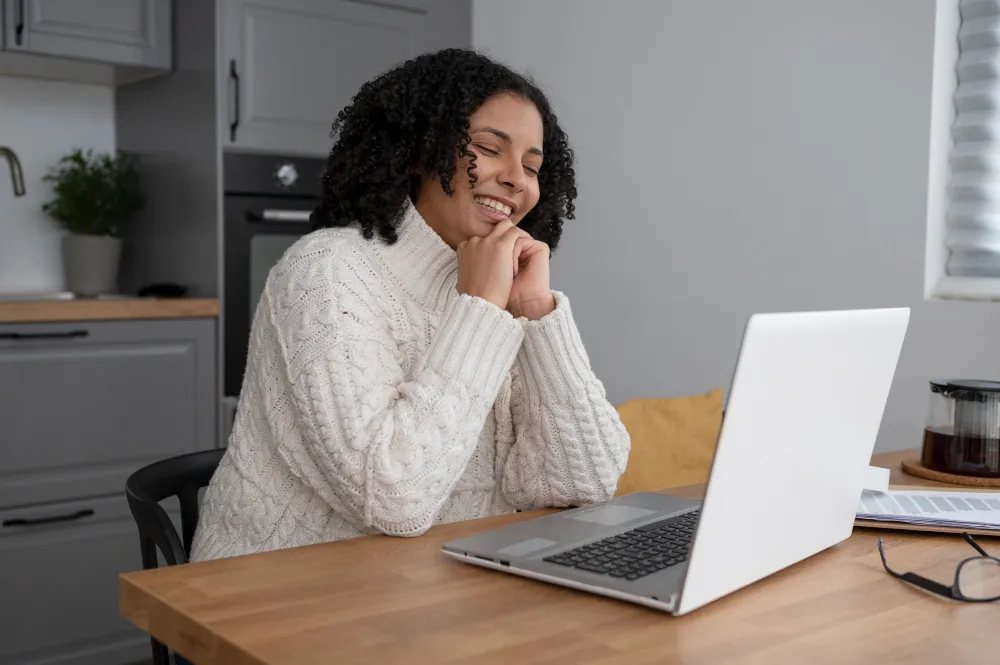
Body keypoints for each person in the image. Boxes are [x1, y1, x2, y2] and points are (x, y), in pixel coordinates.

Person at [191, 49, 631, 562]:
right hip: (285, 600)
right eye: (489, 148)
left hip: (443, 590)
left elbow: (585, 481)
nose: (517, 178)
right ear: (420, 149)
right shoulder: (325, 271)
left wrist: (533, 309)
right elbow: (392, 498)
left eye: (533, 167)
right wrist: (482, 310)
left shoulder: (495, 291)